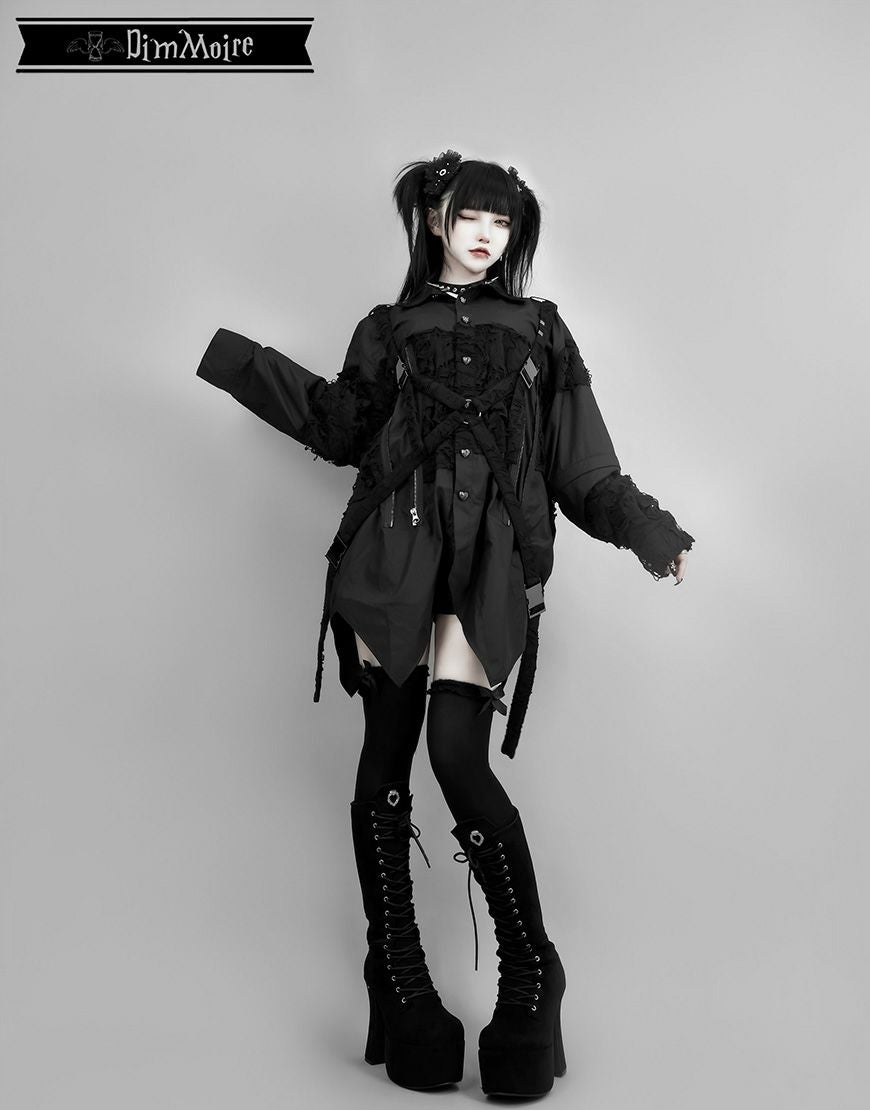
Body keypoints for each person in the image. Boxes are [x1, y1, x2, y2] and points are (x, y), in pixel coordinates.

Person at [195, 150, 695, 1097]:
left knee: (457, 754)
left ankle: (532, 974)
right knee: (385, 755)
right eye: (471, 216)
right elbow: (341, 430)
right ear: (435, 219)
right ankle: (399, 975)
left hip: (488, 570)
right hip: (390, 563)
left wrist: (646, 530)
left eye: (504, 223)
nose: (486, 236)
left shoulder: (541, 331)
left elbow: (581, 467)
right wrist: (238, 361)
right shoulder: (389, 329)